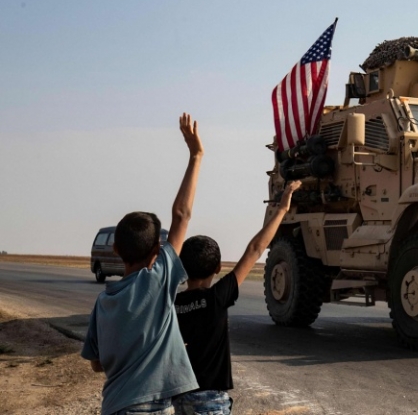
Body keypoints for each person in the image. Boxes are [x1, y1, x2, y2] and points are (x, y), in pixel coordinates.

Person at [81, 113, 204, 415]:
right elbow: (182, 216)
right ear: (156, 252)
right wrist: (196, 155)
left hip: (113, 406)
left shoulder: (103, 302)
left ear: (115, 249)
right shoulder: (157, 281)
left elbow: (96, 363)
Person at [173, 180, 302, 415]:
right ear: (217, 268)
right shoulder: (216, 297)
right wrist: (282, 209)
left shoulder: (174, 304)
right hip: (210, 400)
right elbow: (255, 249)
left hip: (180, 398)